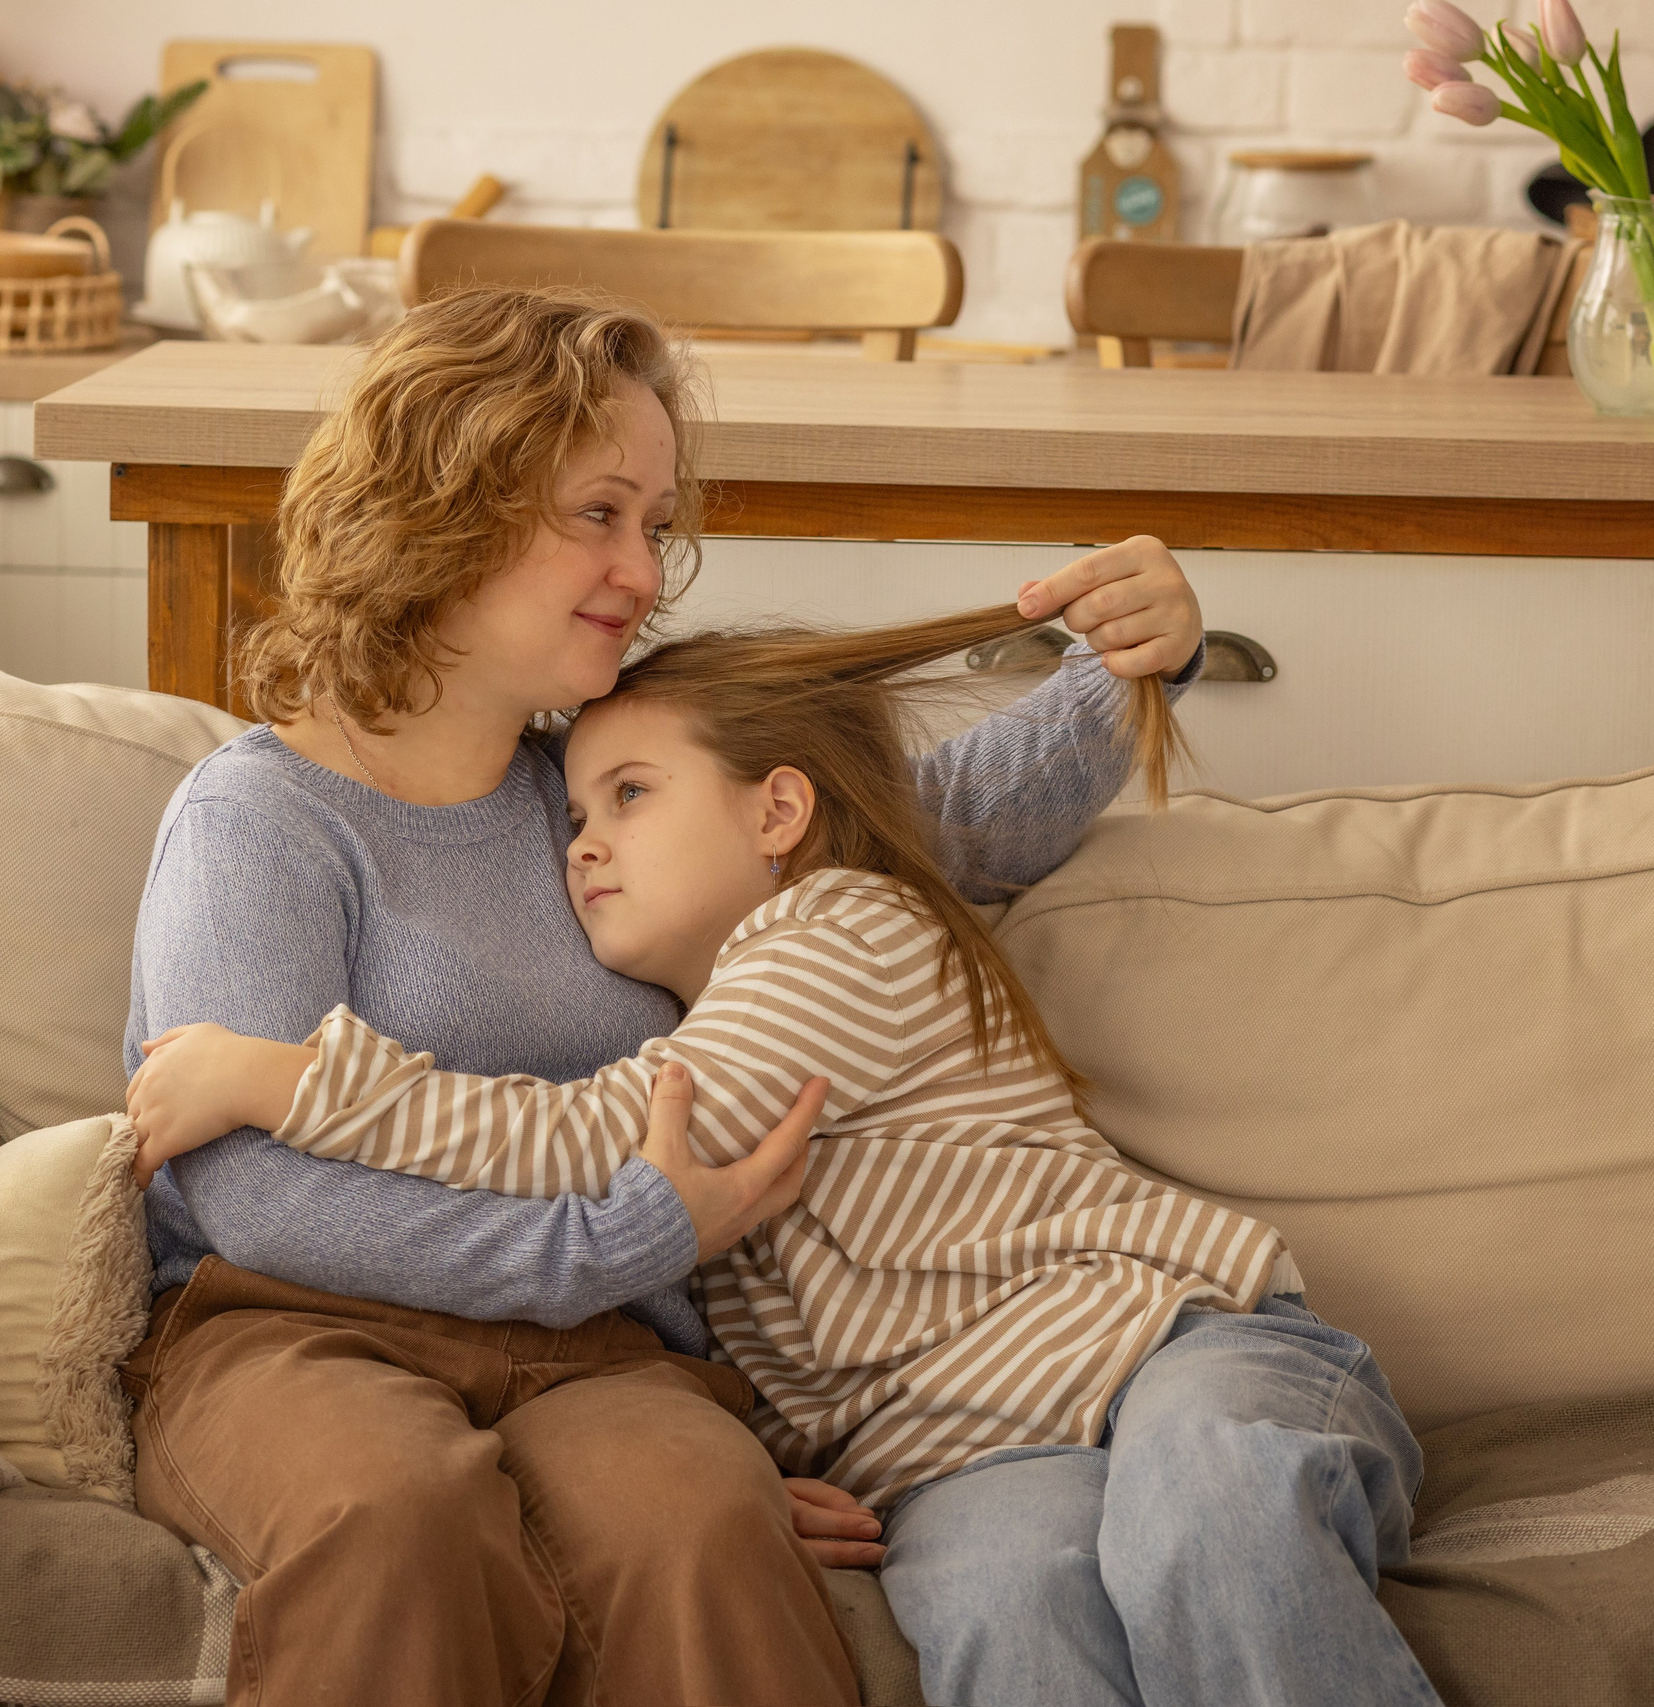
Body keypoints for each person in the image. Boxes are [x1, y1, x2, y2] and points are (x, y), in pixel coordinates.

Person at [121, 283, 1216, 1707]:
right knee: (396, 1516)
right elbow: (269, 1207)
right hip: (293, 1328)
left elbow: (936, 820)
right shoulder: (260, 822)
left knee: (703, 1526)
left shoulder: (605, 795)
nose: (644, 571)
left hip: (601, 1360)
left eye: (654, 523)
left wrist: (1130, 655)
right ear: (445, 496)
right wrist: (631, 1238)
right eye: (599, 514)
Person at [130, 611, 1440, 1707]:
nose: (580, 843)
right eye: (577, 813)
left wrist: (291, 1075)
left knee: (1202, 1522)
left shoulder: (835, 936)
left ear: (782, 814)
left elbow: (591, 1144)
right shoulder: (698, 1002)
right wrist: (761, 1456)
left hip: (1169, 1339)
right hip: (962, 1461)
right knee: (1000, 1616)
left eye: (626, 799)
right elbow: (726, 1315)